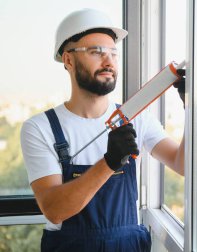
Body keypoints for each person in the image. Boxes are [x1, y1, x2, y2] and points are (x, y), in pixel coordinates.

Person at [20, 8, 185, 252]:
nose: (108, 62)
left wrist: (190, 106)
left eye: (113, 53)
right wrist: (109, 162)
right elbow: (55, 210)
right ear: (68, 60)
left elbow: (182, 165)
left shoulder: (137, 118)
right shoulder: (40, 128)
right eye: (96, 52)